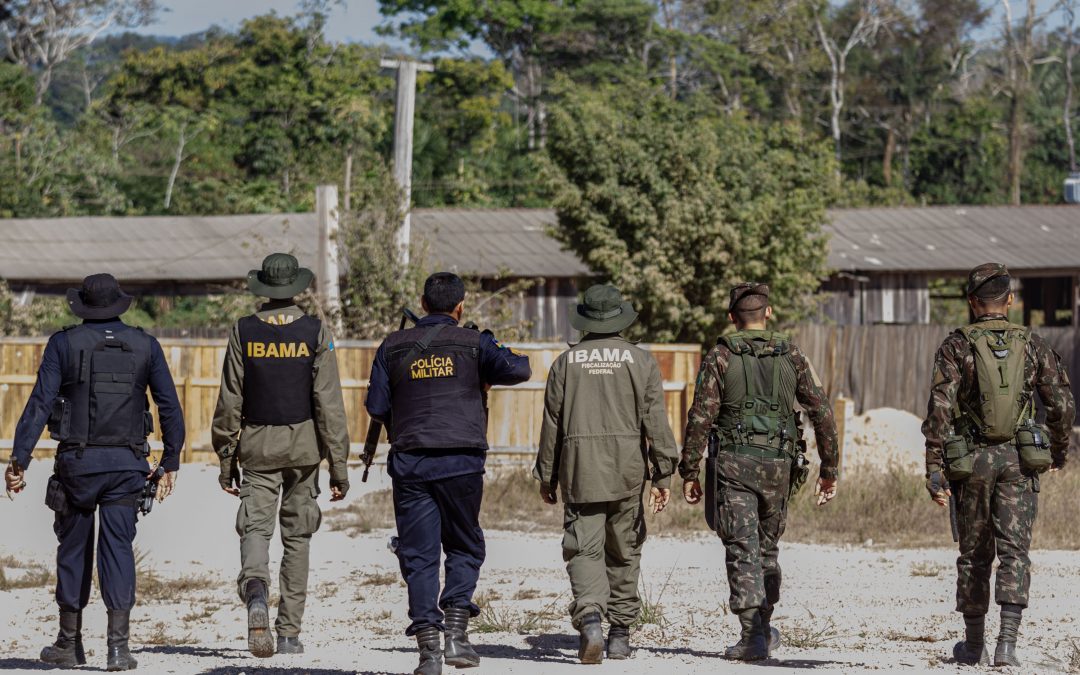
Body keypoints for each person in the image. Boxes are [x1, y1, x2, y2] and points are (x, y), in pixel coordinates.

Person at [3, 273, 185, 672]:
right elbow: (169, 406)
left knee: (73, 551)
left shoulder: (62, 344)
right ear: (118, 304)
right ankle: (118, 650)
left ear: (82, 306)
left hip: (78, 466)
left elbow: (39, 404)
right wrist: (171, 461)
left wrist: (19, 460)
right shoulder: (145, 345)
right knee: (118, 549)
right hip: (127, 466)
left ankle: (69, 643)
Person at [365, 272, 531, 675]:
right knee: (464, 546)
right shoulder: (475, 343)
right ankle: (456, 633)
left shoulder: (392, 345)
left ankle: (428, 653)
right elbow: (520, 369)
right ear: (461, 306)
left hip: (411, 462)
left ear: (422, 304)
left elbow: (376, 406)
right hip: (462, 462)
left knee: (419, 556)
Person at [923, 263, 1074, 668]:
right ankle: (1007, 645)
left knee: (973, 553)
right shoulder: (1033, 344)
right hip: (1020, 461)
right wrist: (1058, 452)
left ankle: (974, 647)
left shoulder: (957, 346)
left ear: (973, 303)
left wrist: (933, 468)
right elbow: (1061, 405)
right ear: (1010, 300)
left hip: (970, 460)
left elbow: (939, 410)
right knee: (1014, 551)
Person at [679, 282, 839, 662]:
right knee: (766, 549)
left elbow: (701, 416)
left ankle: (753, 636)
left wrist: (689, 469)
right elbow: (822, 412)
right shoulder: (793, 355)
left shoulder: (720, 356)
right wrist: (829, 468)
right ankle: (763, 630)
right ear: (768, 312)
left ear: (732, 317)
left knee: (741, 548)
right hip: (779, 466)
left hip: (734, 464)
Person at [211, 253, 351, 658]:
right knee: (298, 538)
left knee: (255, 529)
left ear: (263, 289)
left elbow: (230, 401)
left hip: (256, 449)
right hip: (305, 450)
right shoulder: (314, 330)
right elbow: (329, 404)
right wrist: (339, 467)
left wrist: (226, 460)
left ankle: (256, 589)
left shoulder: (244, 330)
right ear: (296, 287)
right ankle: (288, 632)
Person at [534, 284, 679, 664]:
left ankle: (591, 620)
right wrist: (664, 473)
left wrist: (546, 476)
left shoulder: (565, 364)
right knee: (624, 550)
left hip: (581, 471)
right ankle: (619, 635)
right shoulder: (641, 362)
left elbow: (552, 426)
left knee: (583, 548)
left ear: (585, 320)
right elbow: (656, 422)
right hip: (627, 470)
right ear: (620, 318)